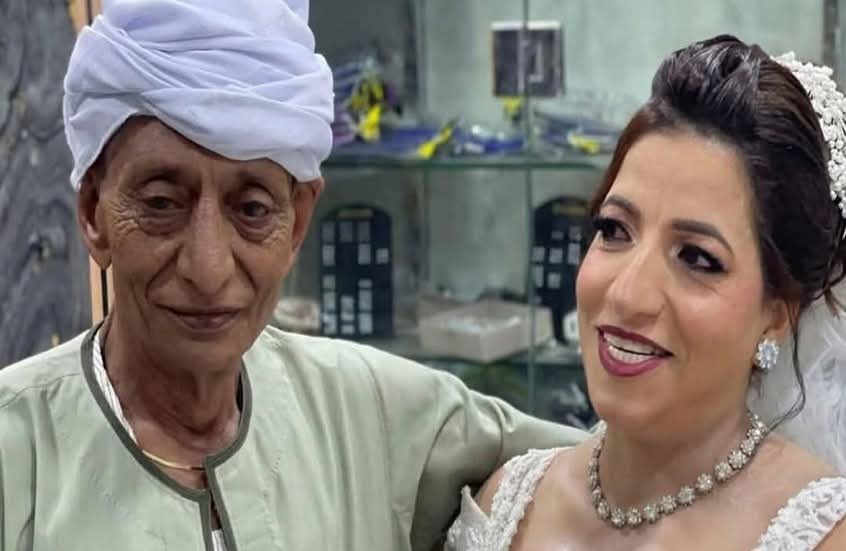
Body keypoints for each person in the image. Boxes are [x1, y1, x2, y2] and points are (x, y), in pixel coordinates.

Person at [0, 1, 587, 550]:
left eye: (252, 209)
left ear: (298, 221)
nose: (208, 268)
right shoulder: (18, 454)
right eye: (160, 204)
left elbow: (613, 473)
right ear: (93, 213)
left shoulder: (371, 413)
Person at [446, 35, 846, 550]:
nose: (628, 294)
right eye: (614, 230)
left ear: (776, 314)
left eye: (696, 258)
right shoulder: (507, 504)